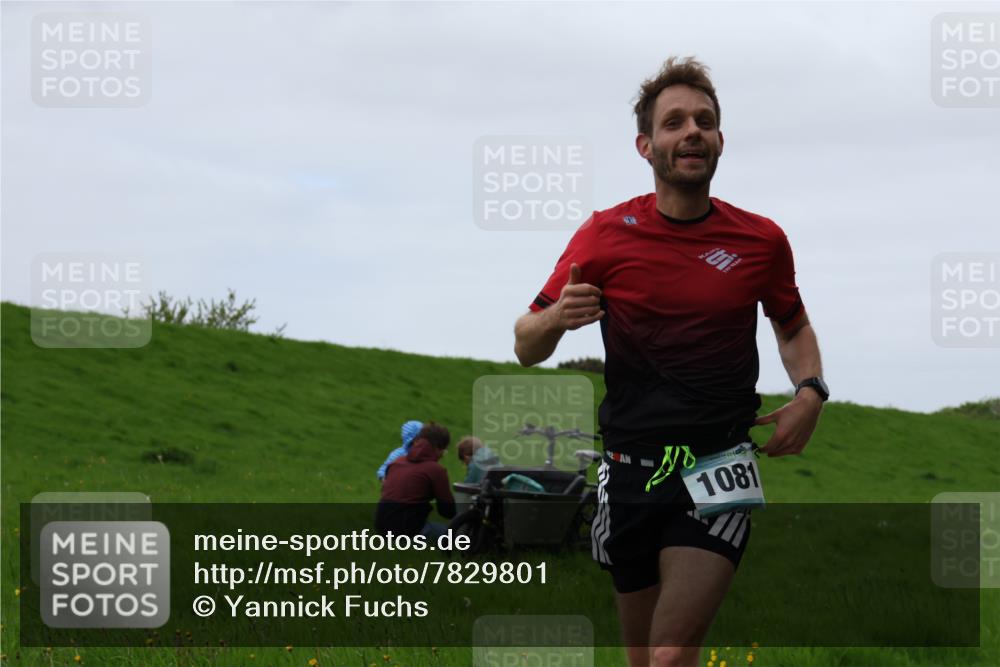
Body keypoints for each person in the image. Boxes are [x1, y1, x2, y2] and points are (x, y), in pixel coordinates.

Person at [513, 56, 827, 667]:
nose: (692, 132)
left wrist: (810, 391)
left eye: (704, 122)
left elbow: (792, 327)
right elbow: (526, 344)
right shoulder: (605, 235)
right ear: (646, 144)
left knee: (672, 652)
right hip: (629, 468)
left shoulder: (760, 241)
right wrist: (556, 318)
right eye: (675, 122)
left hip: (717, 465)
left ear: (719, 141)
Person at [374, 422, 456, 540]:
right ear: (438, 448)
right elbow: (448, 512)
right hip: (407, 529)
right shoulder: (435, 470)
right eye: (444, 450)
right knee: (458, 537)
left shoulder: (396, 462)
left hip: (381, 527)